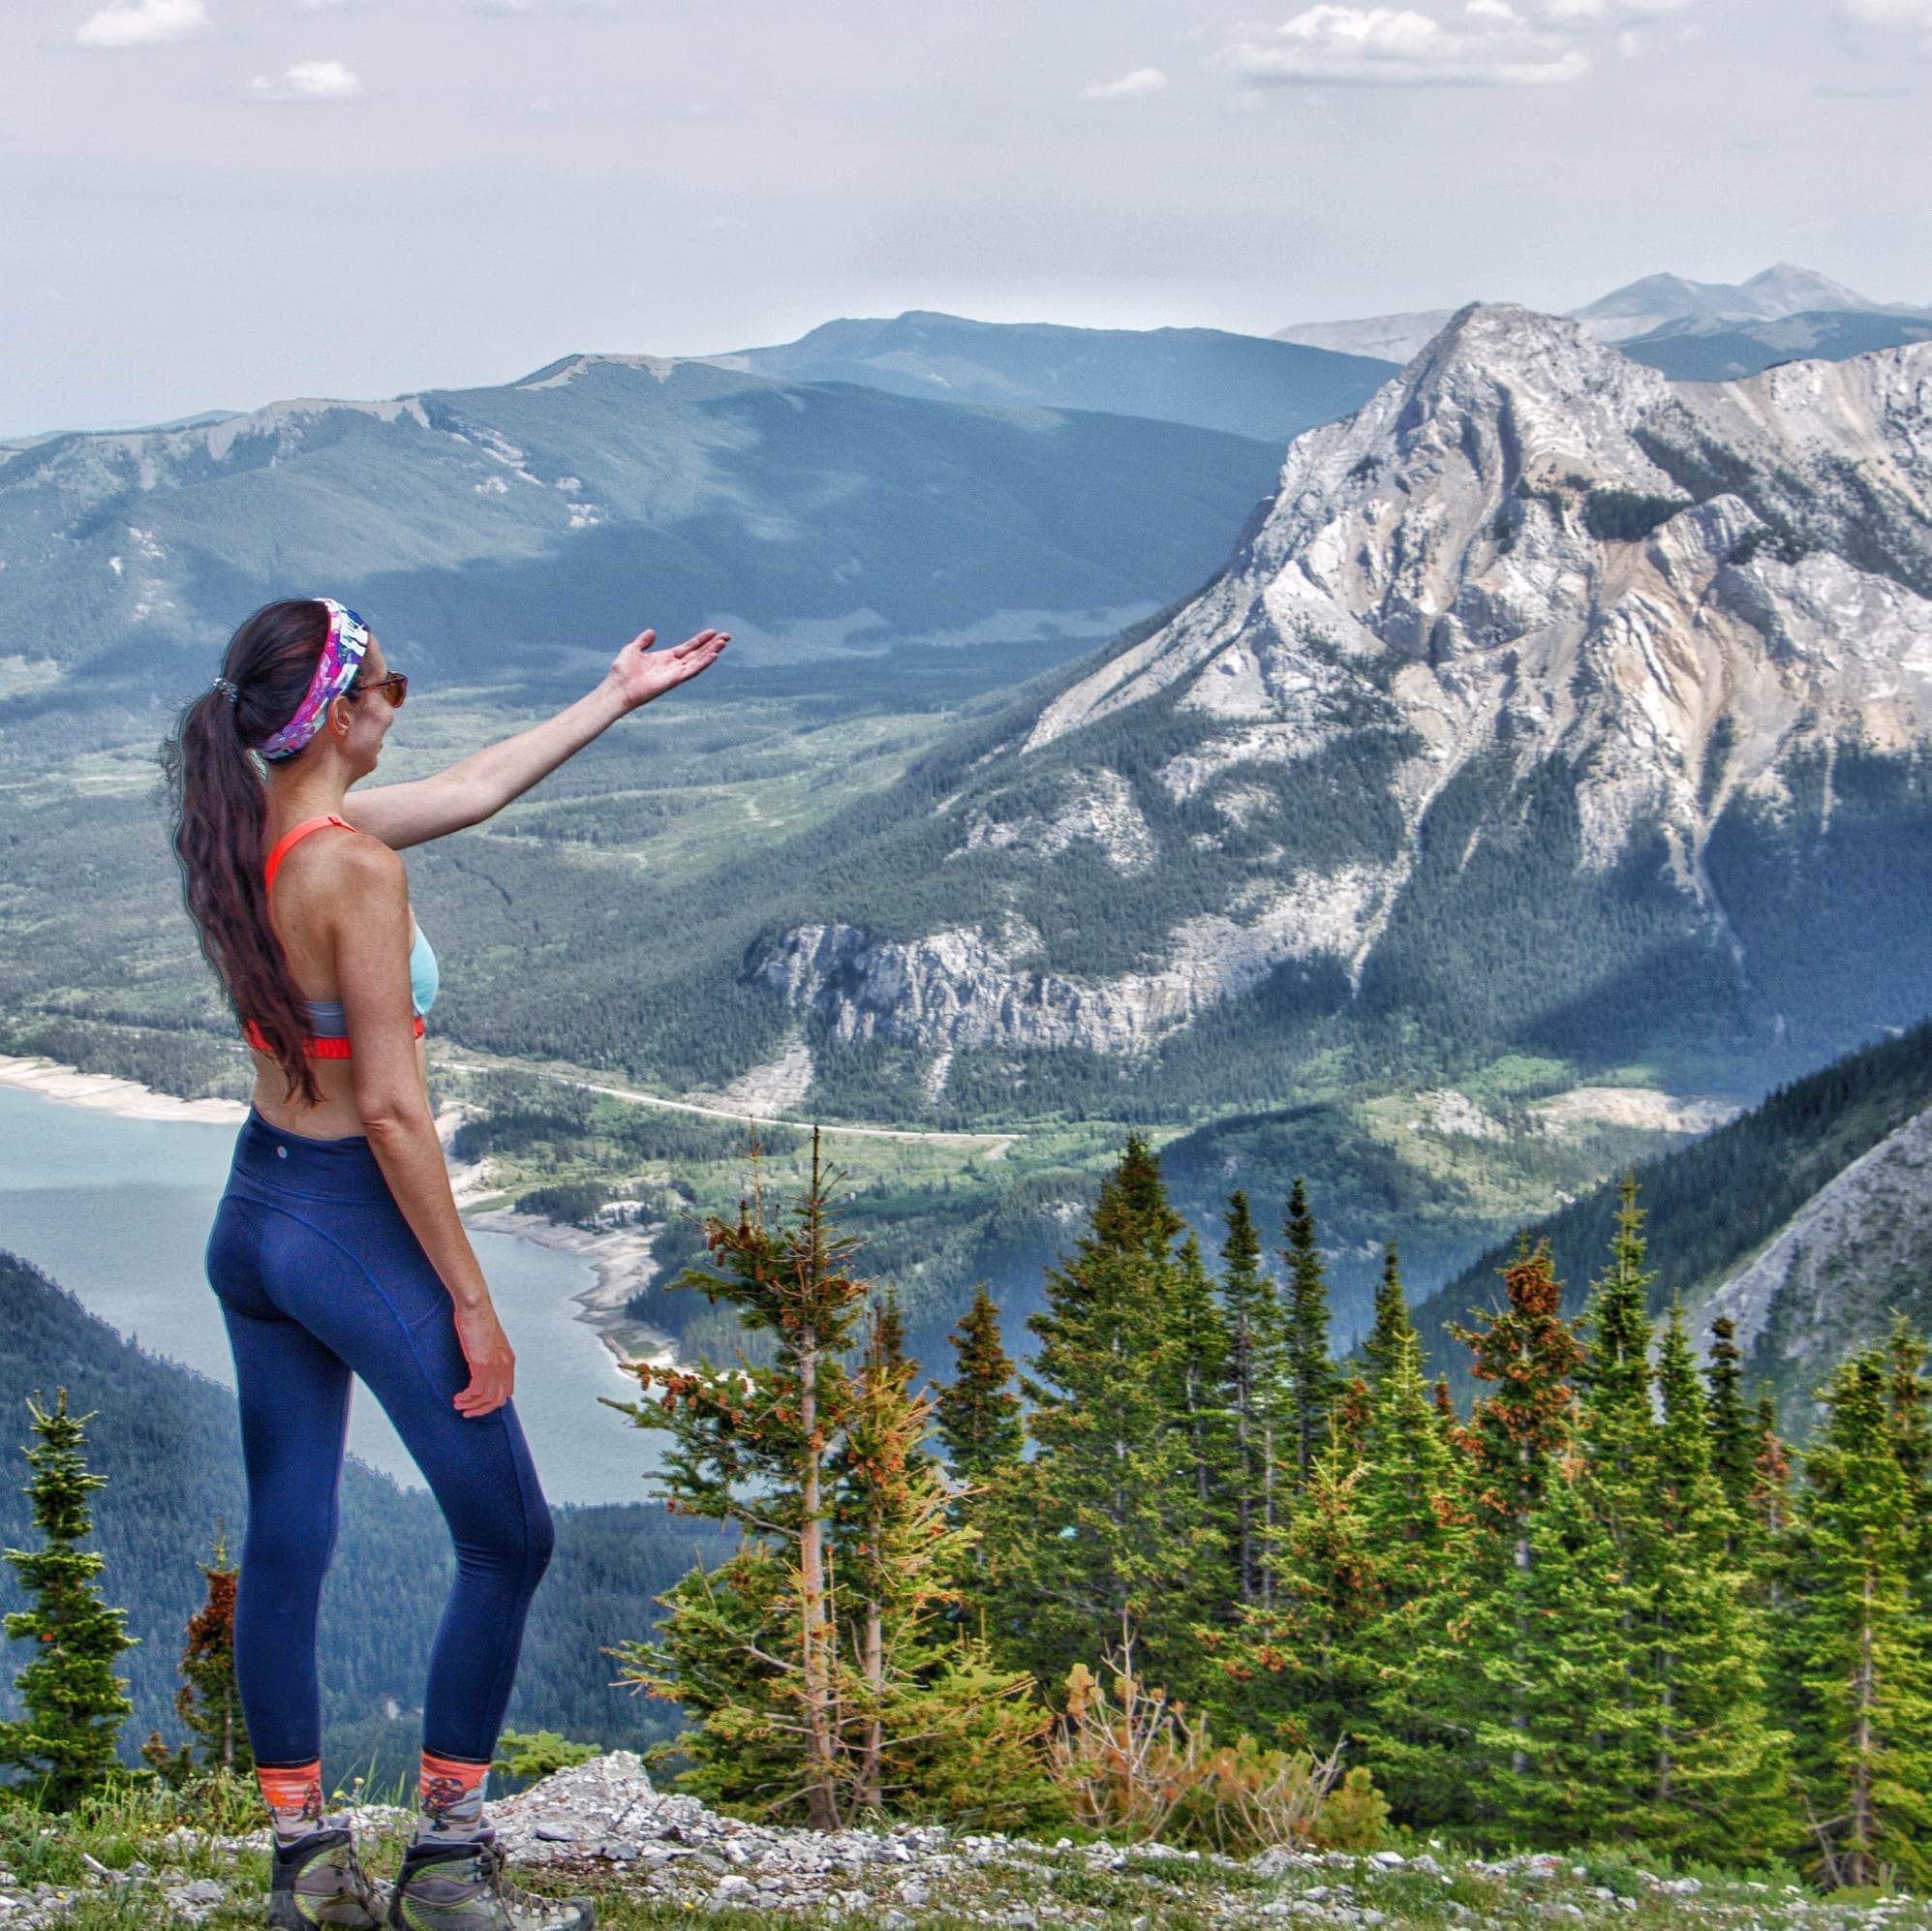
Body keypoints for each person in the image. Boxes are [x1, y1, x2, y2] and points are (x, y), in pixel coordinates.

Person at [161, 598, 727, 1930]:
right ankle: (449, 1865)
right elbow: (398, 1114)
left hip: (255, 1212)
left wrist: (614, 694)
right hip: (348, 1219)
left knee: (292, 1532)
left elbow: (471, 789)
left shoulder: (256, 830)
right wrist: (477, 1301)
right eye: (383, 682)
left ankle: (305, 1866)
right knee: (510, 1530)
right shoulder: (351, 872)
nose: (399, 702)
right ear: (337, 714)